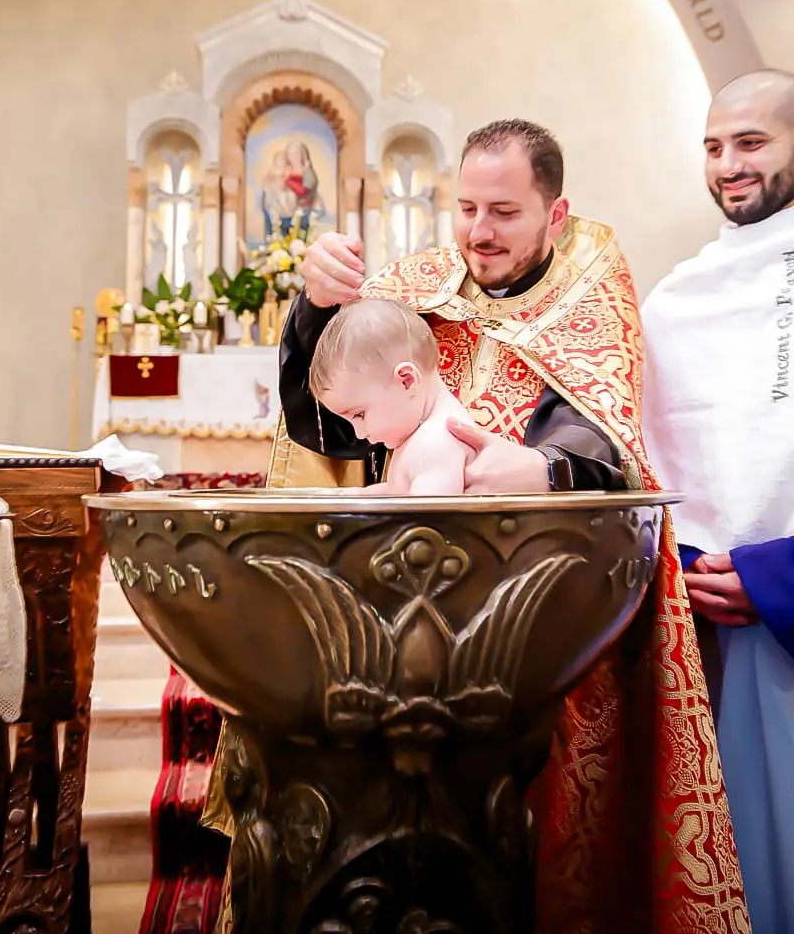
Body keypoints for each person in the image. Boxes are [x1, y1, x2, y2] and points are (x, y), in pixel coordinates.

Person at [205, 118, 747, 933]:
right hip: (397, 623)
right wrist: (315, 309)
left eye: (504, 212)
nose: (478, 232)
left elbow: (602, 416)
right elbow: (339, 426)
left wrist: (546, 468)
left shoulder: (592, 285)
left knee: (529, 848)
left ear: (554, 215)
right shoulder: (419, 284)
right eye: (465, 208)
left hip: (538, 617)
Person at [641, 68, 794, 933]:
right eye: (712, 146)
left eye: (751, 142)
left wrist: (780, 575)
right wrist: (694, 567)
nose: (728, 165)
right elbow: (654, 455)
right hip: (706, 629)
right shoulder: (676, 298)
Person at [309, 296, 474, 494]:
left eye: (359, 415)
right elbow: (399, 492)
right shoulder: (423, 435)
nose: (359, 434)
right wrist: (351, 496)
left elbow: (426, 522)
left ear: (407, 381)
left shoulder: (436, 443)